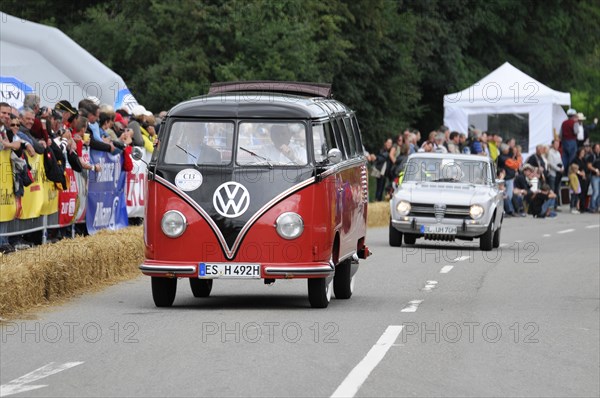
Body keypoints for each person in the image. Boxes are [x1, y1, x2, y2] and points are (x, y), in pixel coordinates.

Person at [546, 139, 564, 210]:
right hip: (553, 173)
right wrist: (559, 169)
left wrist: (562, 167)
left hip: (558, 174)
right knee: (552, 189)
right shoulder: (550, 153)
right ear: (553, 144)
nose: (557, 145)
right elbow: (551, 163)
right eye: (556, 144)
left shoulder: (558, 153)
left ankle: (556, 205)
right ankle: (551, 206)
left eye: (558, 144)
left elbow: (561, 161)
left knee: (557, 189)